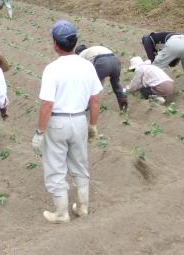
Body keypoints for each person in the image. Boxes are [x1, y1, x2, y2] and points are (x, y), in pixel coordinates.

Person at [32, 20, 102, 224]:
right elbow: (95, 99)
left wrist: (39, 133)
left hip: (58, 123)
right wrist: (93, 125)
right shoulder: (87, 65)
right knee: (80, 165)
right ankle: (82, 208)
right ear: (74, 41)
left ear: (55, 43)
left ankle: (61, 214)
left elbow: (47, 105)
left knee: (55, 168)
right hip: (80, 120)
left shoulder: (52, 69)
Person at [75, 44, 128, 110]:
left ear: (78, 53)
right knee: (115, 83)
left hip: (102, 62)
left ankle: (86, 106)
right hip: (115, 62)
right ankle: (123, 102)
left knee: (93, 86)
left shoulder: (81, 55)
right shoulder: (93, 50)